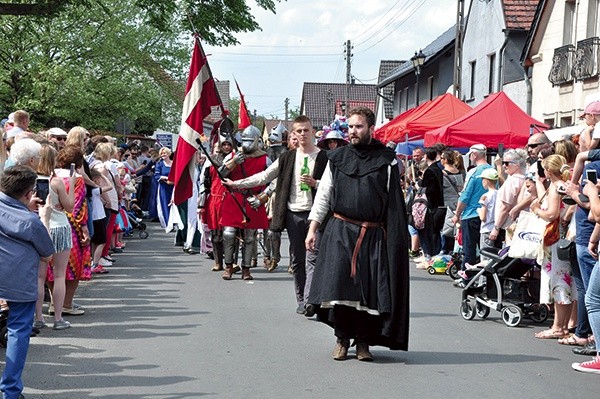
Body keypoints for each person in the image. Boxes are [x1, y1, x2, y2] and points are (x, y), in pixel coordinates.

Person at [305, 106, 410, 361]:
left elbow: (394, 206)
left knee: (369, 293)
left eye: (358, 126)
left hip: (372, 235)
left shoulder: (386, 161)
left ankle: (363, 342)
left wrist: (395, 242)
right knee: (339, 288)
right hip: (340, 231)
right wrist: (313, 229)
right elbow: (324, 196)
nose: (353, 131)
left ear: (371, 129)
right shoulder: (337, 159)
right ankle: (342, 339)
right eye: (350, 126)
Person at [225, 116, 328, 311]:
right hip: (293, 213)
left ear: (312, 132)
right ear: (294, 134)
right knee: (298, 259)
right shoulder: (287, 158)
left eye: (307, 130)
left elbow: (333, 185)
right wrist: (237, 184)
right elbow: (264, 176)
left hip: (317, 214)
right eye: (299, 131)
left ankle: (310, 300)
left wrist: (316, 184)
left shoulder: (324, 157)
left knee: (313, 257)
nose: (303, 134)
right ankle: (302, 300)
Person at [0, 165, 55, 399]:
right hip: (17, 281)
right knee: (18, 331)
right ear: (27, 193)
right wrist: (43, 218)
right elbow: (48, 253)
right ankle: (10, 391)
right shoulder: (31, 221)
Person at [452, 144, 492, 272]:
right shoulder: (492, 170)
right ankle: (484, 278)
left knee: (468, 248)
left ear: (474, 154)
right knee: (485, 250)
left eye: (470, 155)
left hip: (471, 214)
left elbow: (465, 195)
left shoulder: (473, 172)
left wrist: (457, 214)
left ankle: (467, 276)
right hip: (488, 215)